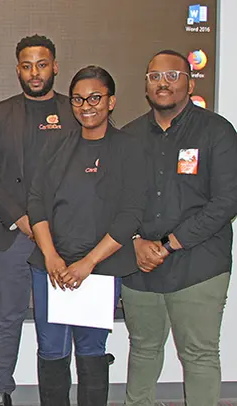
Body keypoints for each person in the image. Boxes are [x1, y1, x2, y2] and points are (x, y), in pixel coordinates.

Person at [121, 50, 237, 406]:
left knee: (199, 354)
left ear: (189, 80)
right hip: (140, 266)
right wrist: (137, 241)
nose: (163, 83)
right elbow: (118, 201)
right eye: (155, 76)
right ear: (146, 85)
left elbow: (227, 200)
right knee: (142, 350)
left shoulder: (216, 131)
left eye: (172, 75)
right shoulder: (129, 136)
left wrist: (171, 243)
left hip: (199, 264)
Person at [26, 66, 145, 405]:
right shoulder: (56, 146)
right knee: (51, 351)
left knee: (92, 352)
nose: (86, 105)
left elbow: (130, 215)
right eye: (78, 98)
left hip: (101, 269)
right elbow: (37, 202)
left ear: (111, 102)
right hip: (51, 268)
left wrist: (87, 263)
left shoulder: (128, 148)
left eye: (95, 97)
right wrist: (51, 257)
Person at [0, 34, 77, 406]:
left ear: (55, 66)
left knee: (58, 324)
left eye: (42, 64)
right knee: (8, 317)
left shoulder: (76, 111)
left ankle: (55, 395)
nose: (34, 73)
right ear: (17, 69)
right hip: (13, 235)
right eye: (27, 65)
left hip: (65, 236)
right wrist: (20, 219)